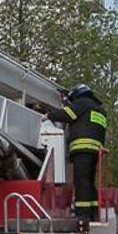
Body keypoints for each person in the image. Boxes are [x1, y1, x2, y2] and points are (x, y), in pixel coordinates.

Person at [46, 85, 108, 223]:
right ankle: (92, 213)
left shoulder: (83, 103)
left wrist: (48, 115)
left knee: (81, 181)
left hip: (82, 148)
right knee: (89, 182)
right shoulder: (99, 110)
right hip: (94, 151)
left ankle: (82, 214)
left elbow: (67, 115)